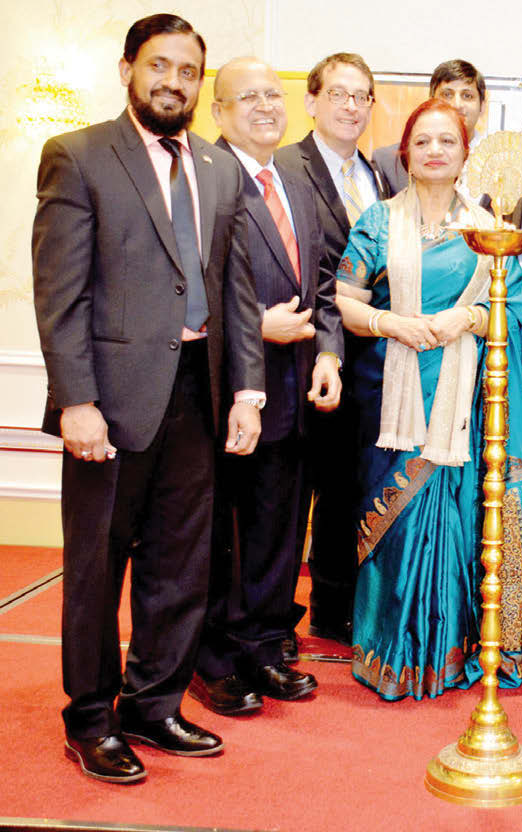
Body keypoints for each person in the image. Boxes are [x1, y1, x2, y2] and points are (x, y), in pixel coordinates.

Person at [32, 14, 264, 782]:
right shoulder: (80, 156)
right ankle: (91, 718)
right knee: (97, 568)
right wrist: (76, 401)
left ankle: (154, 704)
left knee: (180, 564)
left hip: (200, 394)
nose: (173, 81)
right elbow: (60, 295)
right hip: (110, 403)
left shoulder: (220, 168)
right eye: (158, 66)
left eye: (188, 71)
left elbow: (236, 289)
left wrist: (247, 391)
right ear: (128, 68)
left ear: (202, 81)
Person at [334, 98, 522, 700]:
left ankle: (452, 651)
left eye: (448, 140)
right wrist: (391, 324)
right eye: (423, 141)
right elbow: (344, 299)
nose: (436, 150)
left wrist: (468, 316)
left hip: (464, 407)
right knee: (395, 525)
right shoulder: (376, 221)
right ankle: (392, 652)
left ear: (466, 152)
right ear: (406, 152)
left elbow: (516, 309)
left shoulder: (488, 229)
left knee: (461, 520)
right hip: (391, 403)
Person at [191, 57, 342, 715]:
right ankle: (215, 658)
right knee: (221, 537)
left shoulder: (299, 182)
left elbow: (329, 285)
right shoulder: (204, 180)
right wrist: (258, 324)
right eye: (245, 97)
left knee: (281, 530)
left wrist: (327, 353)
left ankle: (267, 645)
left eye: (271, 94)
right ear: (218, 112)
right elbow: (185, 284)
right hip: (225, 395)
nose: (264, 106)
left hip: (296, 393)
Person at [278, 52, 390, 648]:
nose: (351, 106)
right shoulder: (284, 167)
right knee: (290, 499)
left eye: (361, 96)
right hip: (300, 360)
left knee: (347, 487)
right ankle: (268, 623)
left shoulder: (378, 178)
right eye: (339, 94)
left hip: (366, 363)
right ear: (312, 101)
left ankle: (333, 607)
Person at [373, 59, 488, 197]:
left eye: (467, 96)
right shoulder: (389, 162)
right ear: (431, 101)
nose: (457, 105)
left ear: (482, 106)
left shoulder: (500, 165)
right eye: (447, 94)